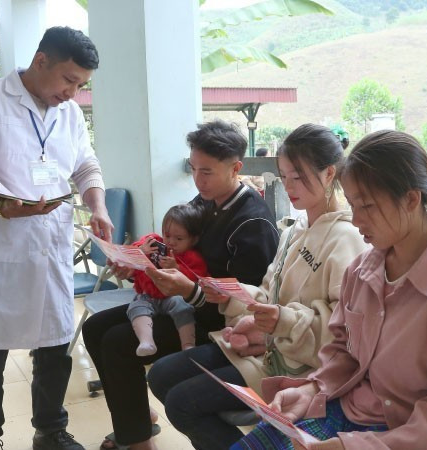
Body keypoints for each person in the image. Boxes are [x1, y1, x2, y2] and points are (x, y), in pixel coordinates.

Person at [232, 130, 427, 450]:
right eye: (352, 205)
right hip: (347, 411)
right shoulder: (363, 270)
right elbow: (341, 350)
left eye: (367, 207)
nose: (357, 220)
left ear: (410, 199)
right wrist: (312, 389)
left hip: (405, 434)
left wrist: (354, 446)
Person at [146, 124, 368, 450]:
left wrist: (281, 321)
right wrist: (234, 294)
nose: (289, 186)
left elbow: (344, 333)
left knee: (181, 402)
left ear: (329, 173)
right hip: (268, 349)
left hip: (298, 366)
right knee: (161, 375)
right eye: (284, 176)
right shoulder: (296, 229)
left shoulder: (346, 238)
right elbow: (267, 292)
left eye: (298, 176)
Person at [0, 27, 112, 450]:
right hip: (4, 246)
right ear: (41, 61)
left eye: (81, 85)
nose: (73, 93)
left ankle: (51, 431)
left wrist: (98, 208)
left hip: (51, 246)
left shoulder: (70, 114)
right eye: (68, 80)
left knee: (54, 349)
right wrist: (4, 204)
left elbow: (85, 165)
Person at [82, 120, 280, 450]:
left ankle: (138, 440)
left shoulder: (252, 222)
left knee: (118, 342)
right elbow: (180, 250)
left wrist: (187, 289)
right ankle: (135, 417)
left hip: (215, 323)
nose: (198, 180)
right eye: (194, 169)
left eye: (207, 172)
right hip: (182, 301)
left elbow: (246, 302)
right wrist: (137, 263)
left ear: (236, 168)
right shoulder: (207, 201)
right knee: (95, 328)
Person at [127, 203, 209, 356]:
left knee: (182, 307)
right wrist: (140, 251)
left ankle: (188, 345)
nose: (170, 242)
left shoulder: (192, 257)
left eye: (179, 238)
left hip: (173, 298)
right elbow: (132, 251)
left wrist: (177, 268)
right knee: (135, 306)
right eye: (167, 235)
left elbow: (197, 278)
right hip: (148, 296)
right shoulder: (153, 242)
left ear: (193, 240)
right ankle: (146, 341)